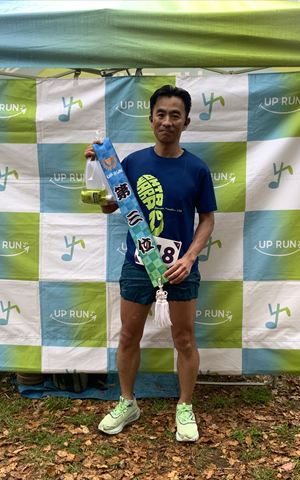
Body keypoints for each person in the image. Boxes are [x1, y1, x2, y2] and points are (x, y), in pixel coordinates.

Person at [84, 85, 217, 442]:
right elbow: (110, 206)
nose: (167, 121)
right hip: (138, 265)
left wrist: (190, 258)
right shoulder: (132, 163)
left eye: (175, 115)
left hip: (179, 269)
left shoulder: (197, 168)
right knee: (129, 336)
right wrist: (97, 168)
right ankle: (127, 402)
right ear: (151, 119)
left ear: (186, 122)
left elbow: (207, 219)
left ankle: (185, 406)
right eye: (161, 114)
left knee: (184, 339)